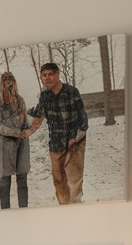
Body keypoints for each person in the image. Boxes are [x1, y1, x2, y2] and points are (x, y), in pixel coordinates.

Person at [22, 62, 88, 205]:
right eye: (44, 75)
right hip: (56, 145)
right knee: (59, 182)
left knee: (74, 182)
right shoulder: (45, 96)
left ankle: (76, 209)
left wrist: (75, 139)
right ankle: (63, 210)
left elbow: (83, 120)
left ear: (58, 74)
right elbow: (38, 115)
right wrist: (21, 119)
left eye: (51, 74)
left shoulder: (71, 92)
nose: (47, 78)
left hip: (74, 144)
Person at [0, 72, 30, 209]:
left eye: (11, 81)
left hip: (21, 145)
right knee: (5, 180)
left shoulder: (21, 101)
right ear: (2, 85)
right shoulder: (0, 104)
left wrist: (27, 130)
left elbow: (25, 122)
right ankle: (5, 213)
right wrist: (15, 132)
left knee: (22, 180)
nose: (9, 84)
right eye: (6, 82)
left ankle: (24, 211)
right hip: (5, 146)